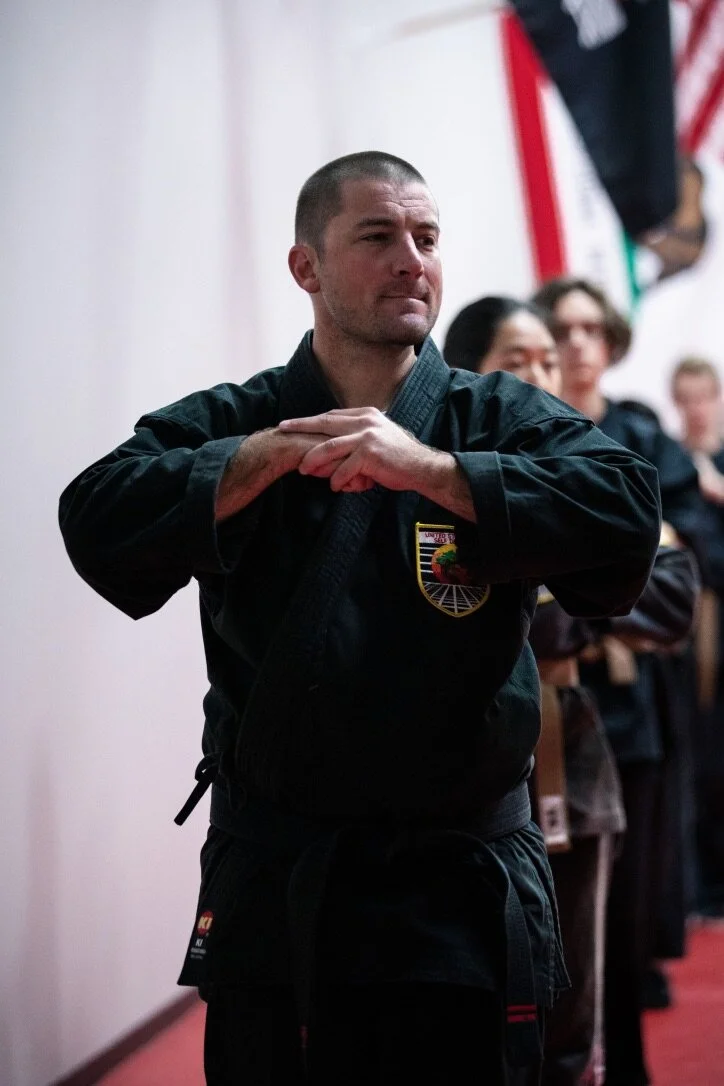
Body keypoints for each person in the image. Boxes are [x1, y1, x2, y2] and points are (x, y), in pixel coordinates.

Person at [58, 153, 662, 1086]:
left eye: (425, 238)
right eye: (377, 237)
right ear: (306, 268)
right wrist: (249, 464)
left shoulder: (489, 416)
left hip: (457, 890)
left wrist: (432, 472)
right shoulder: (249, 418)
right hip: (285, 883)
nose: (411, 260)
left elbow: (623, 504)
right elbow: (96, 511)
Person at [444, 296, 699, 1086]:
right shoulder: (438, 473)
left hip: (589, 741)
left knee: (596, 970)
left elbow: (674, 591)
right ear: (468, 375)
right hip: (470, 760)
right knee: (479, 985)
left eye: (548, 359)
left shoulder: (594, 467)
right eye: (517, 361)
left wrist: (546, 589)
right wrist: (588, 589)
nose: (542, 375)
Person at [532, 276, 705, 1086]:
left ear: (608, 342)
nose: (572, 346)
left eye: (586, 330)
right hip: (533, 714)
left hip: (629, 711)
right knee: (547, 934)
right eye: (556, 332)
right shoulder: (517, 433)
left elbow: (680, 563)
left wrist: (580, 580)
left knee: (625, 923)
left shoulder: (637, 435)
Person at [671, 356, 724, 919]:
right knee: (698, 752)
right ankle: (699, 882)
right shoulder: (672, 461)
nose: (695, 408)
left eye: (702, 396)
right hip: (690, 625)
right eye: (684, 397)